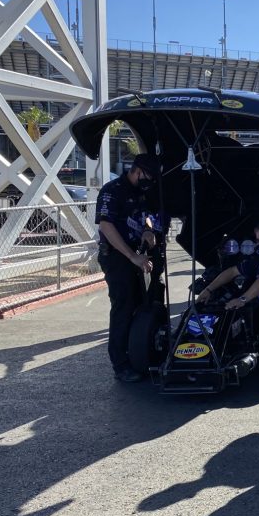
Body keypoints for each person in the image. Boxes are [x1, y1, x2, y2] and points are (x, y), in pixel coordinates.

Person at [95, 153, 160, 382]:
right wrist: (132, 256)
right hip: (118, 256)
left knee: (147, 300)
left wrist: (148, 230)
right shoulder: (112, 190)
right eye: (148, 176)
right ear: (137, 170)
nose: (149, 181)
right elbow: (106, 226)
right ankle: (120, 364)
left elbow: (147, 218)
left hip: (139, 254)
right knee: (123, 306)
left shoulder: (141, 192)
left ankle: (142, 351)